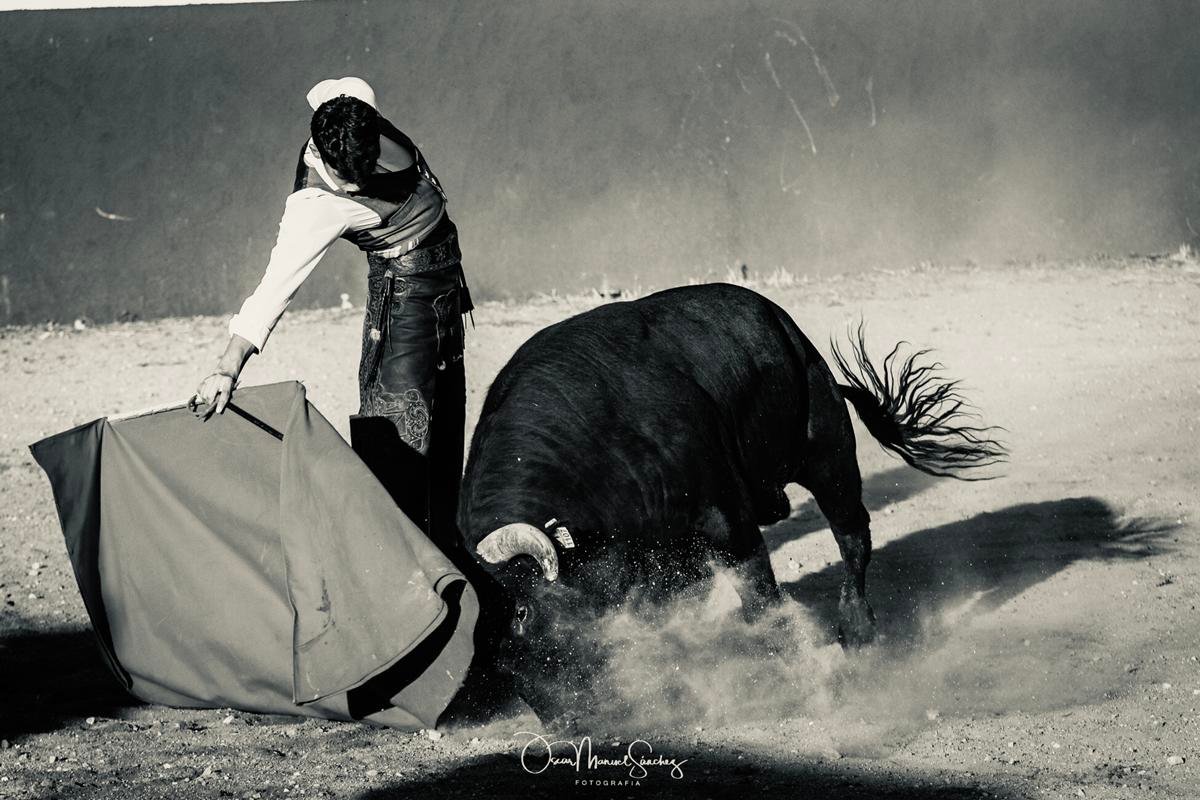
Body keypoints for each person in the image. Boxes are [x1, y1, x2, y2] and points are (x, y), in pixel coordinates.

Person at [191, 77, 472, 556]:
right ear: (322, 159)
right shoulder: (314, 206)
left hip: (445, 294)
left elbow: (330, 90)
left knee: (445, 430)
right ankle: (389, 567)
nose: (361, 182)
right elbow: (274, 287)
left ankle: (448, 554)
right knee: (397, 441)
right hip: (403, 303)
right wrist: (227, 366)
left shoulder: (351, 103)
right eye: (350, 177)